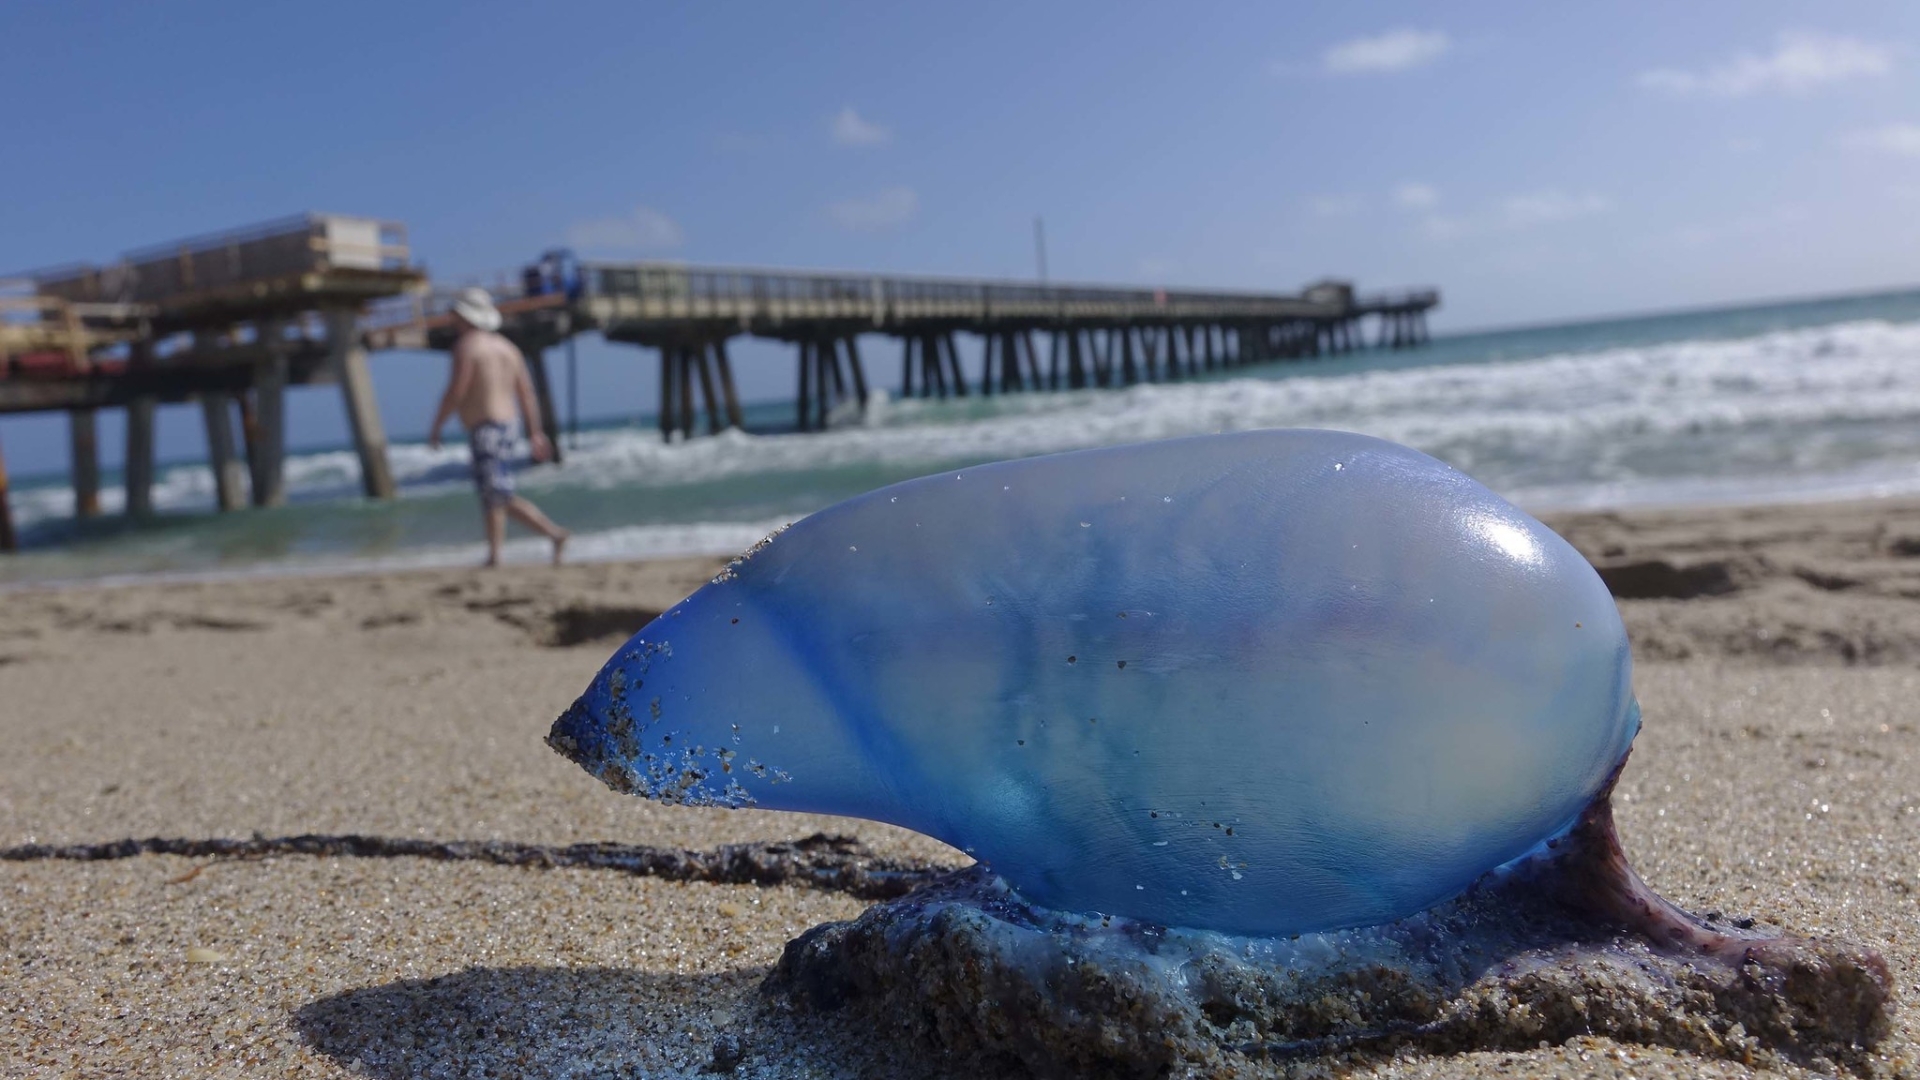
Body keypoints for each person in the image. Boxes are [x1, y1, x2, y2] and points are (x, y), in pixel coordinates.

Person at [428, 287, 570, 567]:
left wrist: (437, 426)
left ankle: (531, 541)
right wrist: (535, 432)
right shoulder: (508, 348)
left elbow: (456, 390)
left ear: (464, 317)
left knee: (495, 493)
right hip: (510, 426)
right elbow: (526, 394)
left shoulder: (467, 346)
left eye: (455, 315)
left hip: (487, 428)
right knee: (496, 492)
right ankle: (509, 549)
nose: (452, 320)